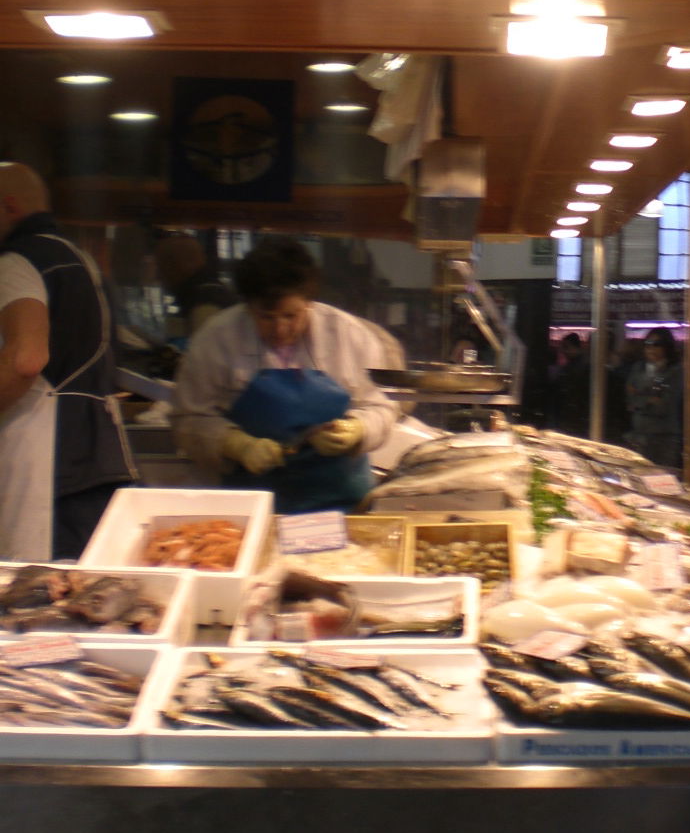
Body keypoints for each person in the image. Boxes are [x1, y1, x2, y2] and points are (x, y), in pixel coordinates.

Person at [170, 236, 395, 513]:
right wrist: (234, 444)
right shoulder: (216, 340)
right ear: (248, 307)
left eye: (291, 316)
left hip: (342, 502)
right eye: (266, 317)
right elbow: (187, 419)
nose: (280, 329)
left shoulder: (348, 335)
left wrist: (359, 429)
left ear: (309, 302)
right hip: (252, 504)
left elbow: (382, 407)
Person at [0, 161, 138, 560]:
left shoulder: (16, 262)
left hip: (47, 466)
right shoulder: (80, 257)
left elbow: (25, 358)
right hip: (96, 458)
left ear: (8, 206)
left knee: (37, 601)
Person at [153, 231, 235, 340]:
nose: (158, 276)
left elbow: (207, 354)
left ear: (181, 265)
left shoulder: (204, 305)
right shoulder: (213, 292)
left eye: (163, 267)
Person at [624, 326, 684, 468]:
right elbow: (629, 401)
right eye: (647, 344)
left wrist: (638, 398)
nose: (651, 348)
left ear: (667, 347)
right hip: (638, 438)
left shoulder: (676, 371)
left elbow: (663, 406)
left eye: (657, 344)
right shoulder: (638, 368)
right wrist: (649, 398)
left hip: (665, 441)